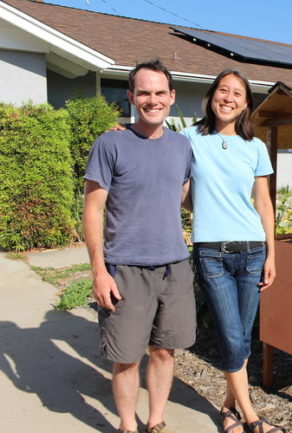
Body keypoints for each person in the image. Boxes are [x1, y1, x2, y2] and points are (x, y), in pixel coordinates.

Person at [84, 59, 195, 433]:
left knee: (164, 351)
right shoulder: (110, 143)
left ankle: (156, 420)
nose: (152, 100)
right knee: (126, 358)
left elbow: (183, 195)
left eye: (160, 92)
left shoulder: (182, 145)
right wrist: (99, 272)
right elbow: (93, 210)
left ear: (171, 97)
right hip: (125, 270)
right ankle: (128, 426)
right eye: (144, 92)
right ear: (131, 97)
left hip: (174, 268)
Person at [180, 69, 285, 433]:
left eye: (237, 93)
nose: (228, 97)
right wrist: (124, 133)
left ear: (246, 104)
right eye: (222, 90)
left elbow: (264, 204)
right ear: (210, 97)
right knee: (230, 335)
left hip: (253, 252)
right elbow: (162, 161)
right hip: (211, 254)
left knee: (240, 336)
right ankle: (252, 416)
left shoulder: (255, 147)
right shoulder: (188, 138)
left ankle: (227, 411)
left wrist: (272, 254)